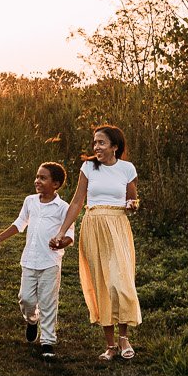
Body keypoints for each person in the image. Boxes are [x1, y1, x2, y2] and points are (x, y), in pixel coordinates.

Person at [54, 124, 141, 361]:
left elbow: (132, 201)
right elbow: (76, 203)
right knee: (102, 283)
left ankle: (124, 337)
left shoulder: (127, 169)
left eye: (101, 143)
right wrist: (62, 231)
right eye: (95, 143)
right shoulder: (88, 167)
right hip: (93, 225)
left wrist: (133, 206)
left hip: (118, 226)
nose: (96, 147)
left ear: (115, 146)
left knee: (121, 283)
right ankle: (111, 345)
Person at [0, 161, 70, 359]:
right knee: (26, 298)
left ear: (56, 184)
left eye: (43, 178)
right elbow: (19, 223)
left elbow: (70, 235)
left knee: (48, 301)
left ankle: (48, 341)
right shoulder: (30, 201)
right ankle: (32, 320)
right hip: (29, 260)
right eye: (37, 176)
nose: (37, 181)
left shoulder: (63, 208)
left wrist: (61, 243)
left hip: (50, 261)